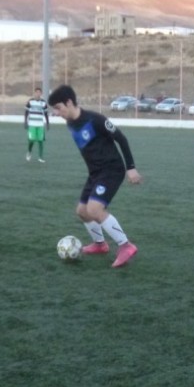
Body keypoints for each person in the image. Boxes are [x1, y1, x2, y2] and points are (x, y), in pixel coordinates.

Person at [47, 85, 142, 268]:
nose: (57, 113)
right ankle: (100, 245)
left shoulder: (95, 119)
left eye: (58, 108)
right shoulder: (70, 123)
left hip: (111, 170)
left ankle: (126, 246)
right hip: (95, 173)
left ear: (69, 102)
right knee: (82, 212)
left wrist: (131, 168)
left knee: (95, 210)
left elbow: (121, 138)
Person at [24, 87, 50, 163]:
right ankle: (29, 152)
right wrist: (25, 121)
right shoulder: (30, 101)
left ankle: (40, 157)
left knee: (40, 141)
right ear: (34, 93)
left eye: (39, 92)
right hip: (32, 124)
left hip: (40, 124)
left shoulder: (43, 102)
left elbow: (46, 113)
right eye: (36, 92)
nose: (38, 94)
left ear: (41, 94)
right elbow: (26, 112)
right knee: (31, 140)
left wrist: (47, 123)